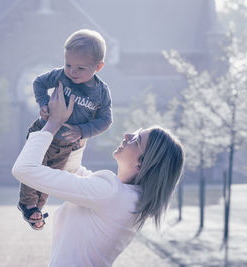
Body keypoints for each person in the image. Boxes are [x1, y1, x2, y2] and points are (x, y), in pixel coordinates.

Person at [12, 86, 185, 267]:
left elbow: (24, 169)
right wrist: (79, 130)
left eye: (137, 139)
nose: (127, 135)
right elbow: (71, 172)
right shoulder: (128, 197)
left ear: (143, 163)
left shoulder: (110, 193)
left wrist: (53, 123)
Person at [17, 29, 112, 230]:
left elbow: (105, 121)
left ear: (99, 67)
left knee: (48, 178)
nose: (72, 71)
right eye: (68, 64)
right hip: (44, 132)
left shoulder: (102, 93)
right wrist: (43, 103)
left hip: (66, 146)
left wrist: (82, 130)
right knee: (33, 169)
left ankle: (36, 212)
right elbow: (39, 82)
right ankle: (27, 205)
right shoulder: (61, 76)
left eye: (80, 68)